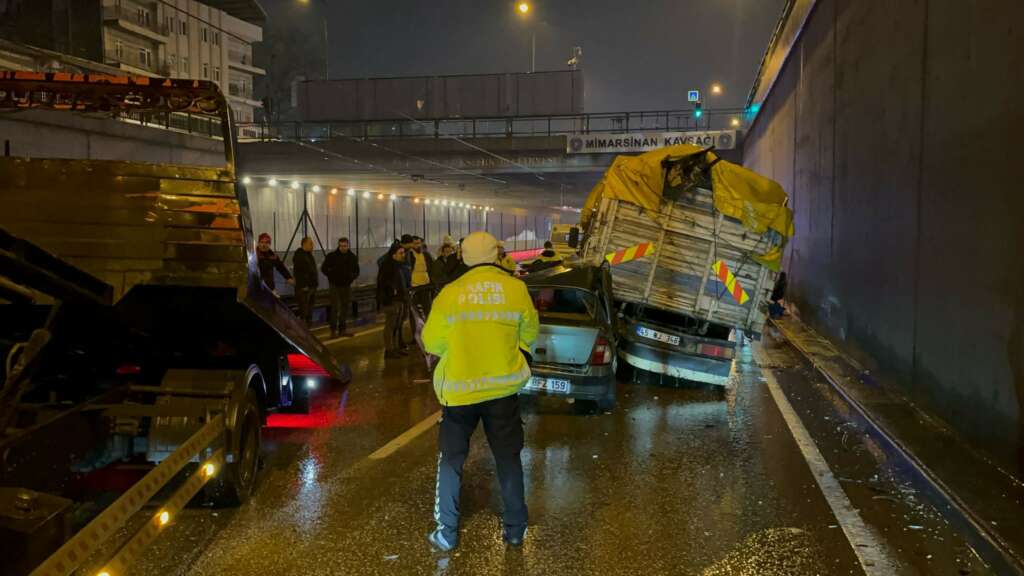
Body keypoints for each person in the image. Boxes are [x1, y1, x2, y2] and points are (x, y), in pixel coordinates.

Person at [422, 231, 540, 552]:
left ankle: (447, 532)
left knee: (451, 460)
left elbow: (432, 342)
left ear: (463, 256)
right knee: (508, 457)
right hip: (503, 391)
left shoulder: (451, 292)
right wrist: (519, 357)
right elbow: (530, 331)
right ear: (496, 254)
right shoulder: (515, 289)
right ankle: (515, 530)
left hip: (460, 392)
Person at [321, 237, 360, 337]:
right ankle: (333, 330)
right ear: (338, 245)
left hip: (346, 285)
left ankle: (342, 329)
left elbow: (357, 271)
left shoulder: (352, 257)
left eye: (345, 246)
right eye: (341, 246)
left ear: (348, 246)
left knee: (345, 307)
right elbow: (324, 268)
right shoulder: (332, 256)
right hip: (334, 285)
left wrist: (351, 278)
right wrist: (332, 276)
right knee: (335, 307)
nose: (343, 248)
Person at [377, 242, 408, 358]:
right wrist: (391, 292)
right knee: (390, 325)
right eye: (400, 253)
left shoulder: (397, 265)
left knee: (396, 324)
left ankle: (394, 348)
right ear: (393, 254)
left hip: (399, 299)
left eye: (403, 252)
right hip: (391, 300)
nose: (403, 255)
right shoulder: (388, 266)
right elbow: (383, 283)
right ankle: (389, 350)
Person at [292, 237, 319, 325]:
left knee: (309, 309)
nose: (312, 246)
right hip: (304, 288)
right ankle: (304, 328)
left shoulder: (308, 254)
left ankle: (308, 326)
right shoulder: (299, 255)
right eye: (311, 244)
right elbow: (299, 272)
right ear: (304, 244)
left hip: (311, 286)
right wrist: (303, 285)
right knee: (304, 310)